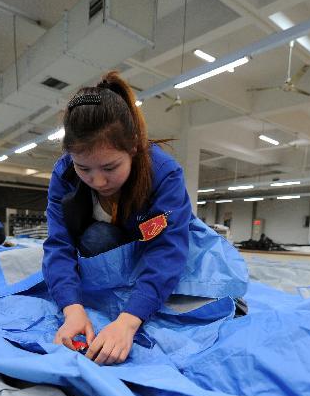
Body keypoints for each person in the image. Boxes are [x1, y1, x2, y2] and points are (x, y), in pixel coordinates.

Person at [43, 71, 197, 365]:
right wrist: (71, 308)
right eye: (84, 169)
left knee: (188, 270)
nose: (98, 181)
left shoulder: (164, 174)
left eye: (110, 167)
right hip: (107, 245)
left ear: (134, 147)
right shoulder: (63, 173)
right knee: (96, 238)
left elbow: (167, 251)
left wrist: (129, 321)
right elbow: (58, 244)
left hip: (153, 242)